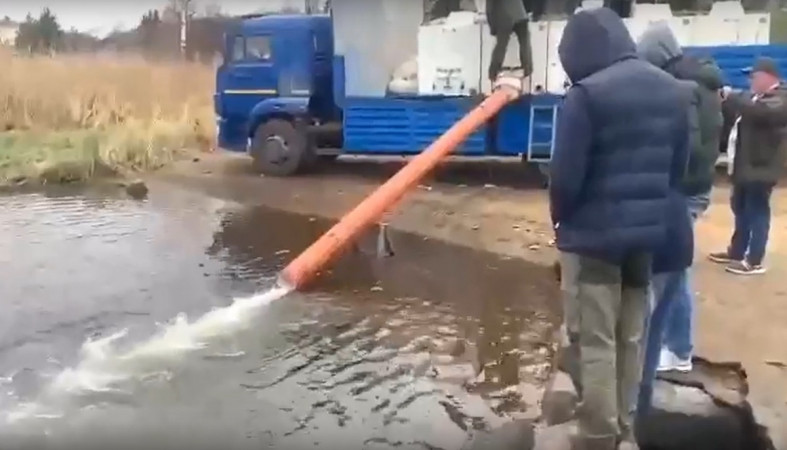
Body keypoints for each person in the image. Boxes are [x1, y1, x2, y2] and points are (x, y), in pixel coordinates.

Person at [551, 8, 691, 450]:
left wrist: (561, 222)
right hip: (646, 239)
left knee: (596, 341)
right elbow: (678, 170)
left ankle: (597, 433)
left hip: (595, 241)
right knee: (632, 336)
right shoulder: (673, 91)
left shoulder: (586, 96)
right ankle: (625, 430)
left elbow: (565, 179)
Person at [635, 22, 723, 380]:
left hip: (684, 191)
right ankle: (672, 343)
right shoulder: (699, 81)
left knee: (675, 270)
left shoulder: (684, 88)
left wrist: (663, 178)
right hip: (692, 187)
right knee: (673, 268)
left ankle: (679, 349)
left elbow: (687, 148)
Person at [709, 57, 787, 275]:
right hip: (746, 166)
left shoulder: (780, 98)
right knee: (741, 210)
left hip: (762, 168)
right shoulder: (756, 98)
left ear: (768, 77)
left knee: (757, 213)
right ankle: (737, 252)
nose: (751, 81)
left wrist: (732, 96)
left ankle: (754, 260)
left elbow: (760, 113)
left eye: (754, 76)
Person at [486, 0, 533, 84]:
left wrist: (492, 28)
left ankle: (493, 72)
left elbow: (489, 9)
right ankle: (527, 68)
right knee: (525, 43)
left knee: (501, 45)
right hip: (520, 14)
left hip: (505, 17)